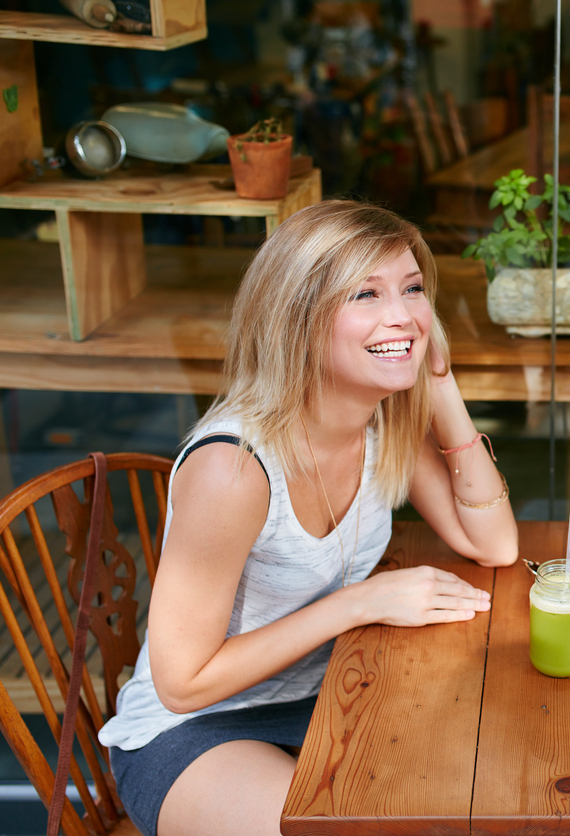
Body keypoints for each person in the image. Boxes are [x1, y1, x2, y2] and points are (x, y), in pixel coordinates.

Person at [98, 200, 519, 836]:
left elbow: (492, 543)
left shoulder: (380, 421)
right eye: (365, 294)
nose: (402, 314)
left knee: (491, 788)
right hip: (197, 729)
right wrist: (360, 603)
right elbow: (183, 684)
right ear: (298, 321)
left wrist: (441, 385)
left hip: (331, 696)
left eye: (411, 289)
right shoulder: (232, 468)